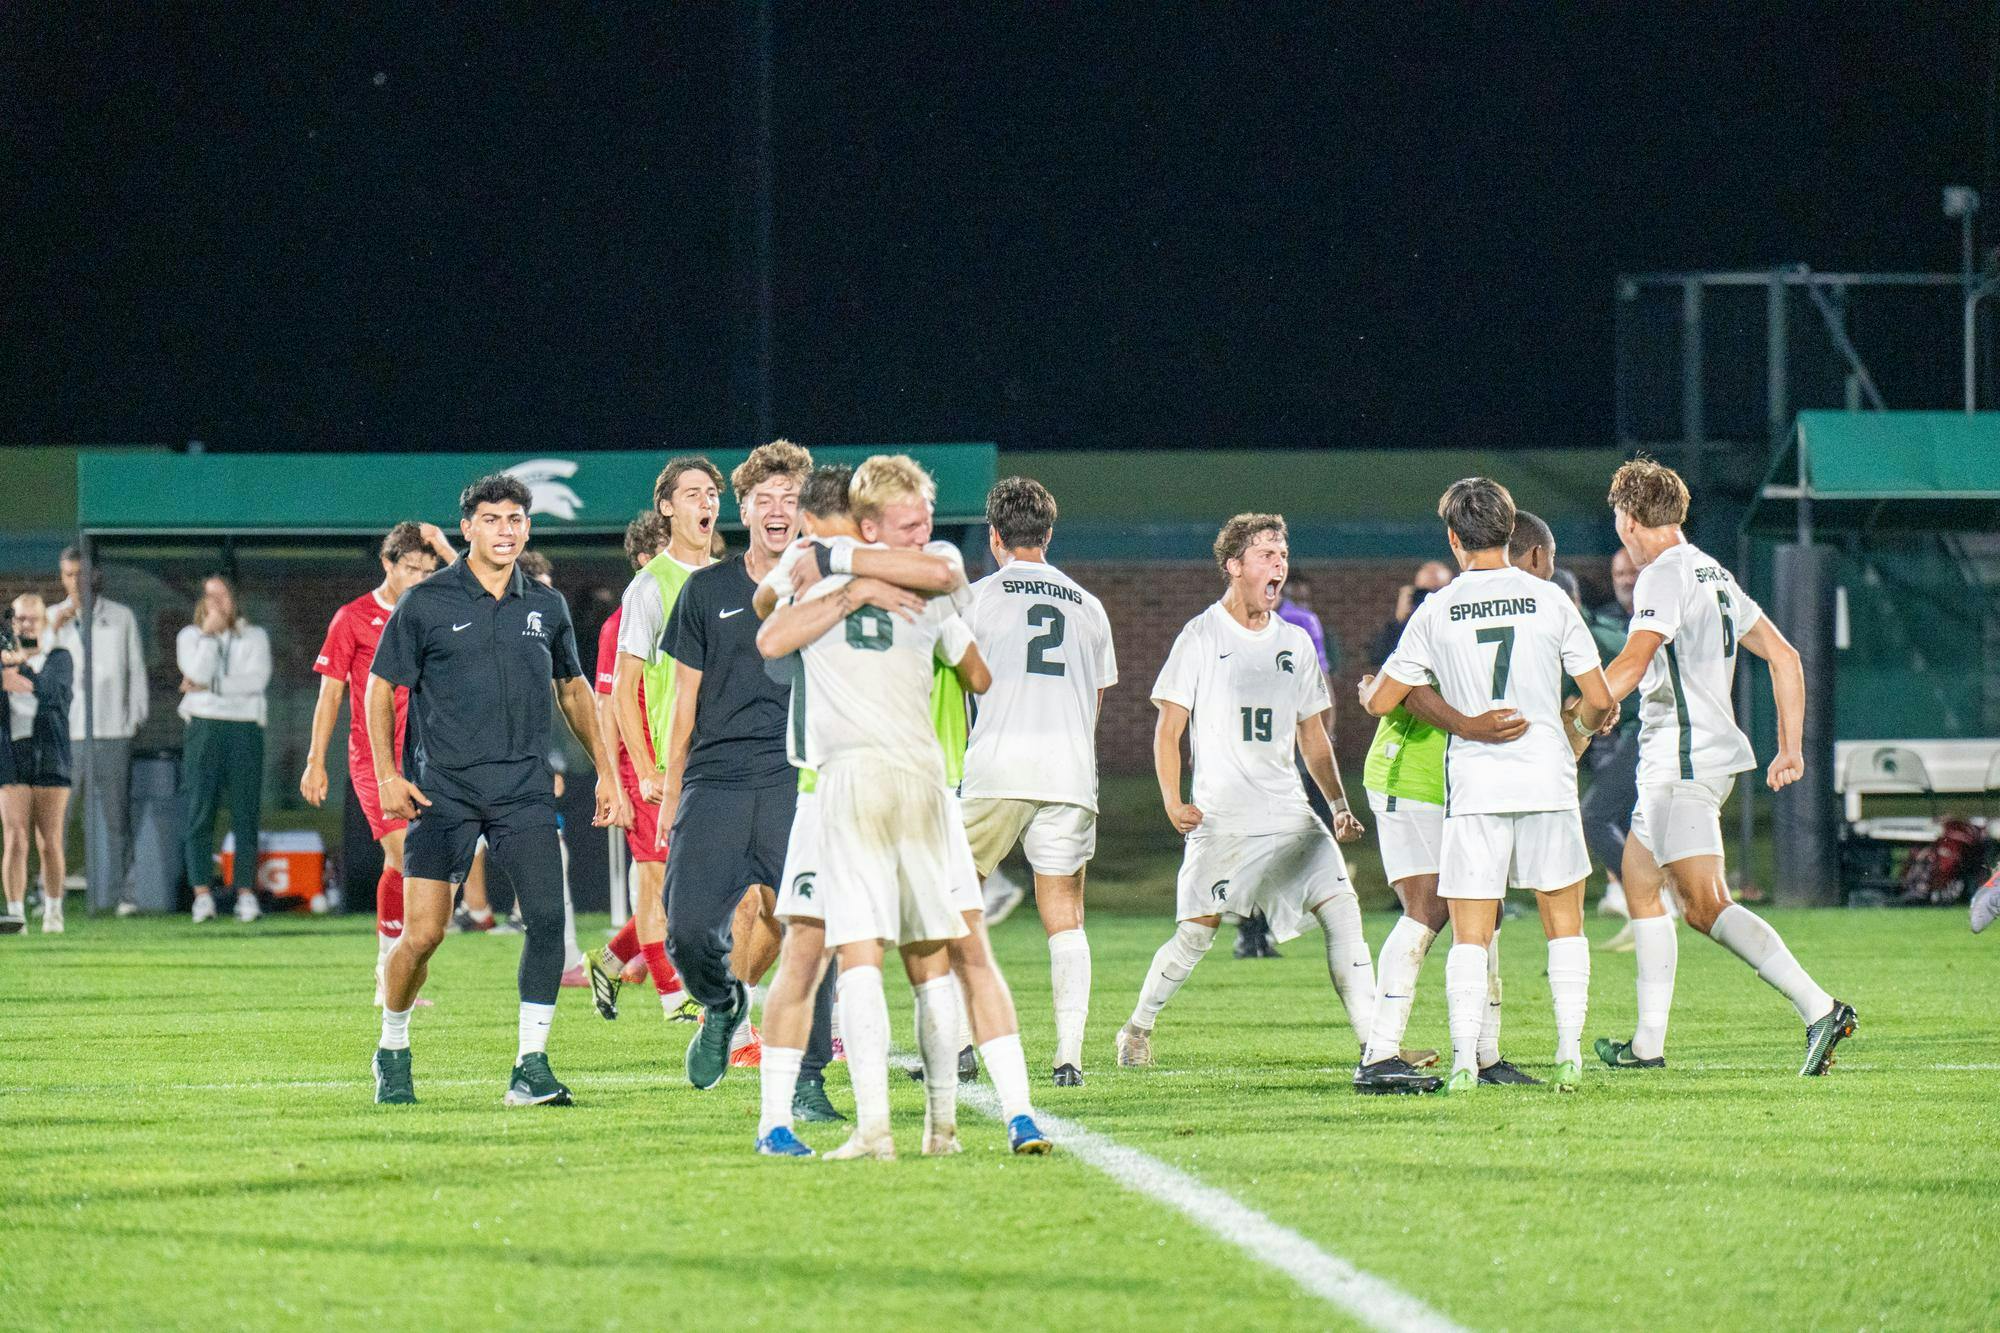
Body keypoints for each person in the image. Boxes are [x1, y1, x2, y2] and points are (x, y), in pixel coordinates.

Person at [756, 457, 1051, 1160]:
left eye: (925, 518)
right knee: (845, 952)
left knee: (902, 954)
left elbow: (771, 620)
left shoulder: (868, 565)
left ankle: (910, 1124)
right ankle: (832, 1123)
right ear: (869, 523)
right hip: (847, 784)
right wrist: (851, 583)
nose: (923, 531)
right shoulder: (893, 574)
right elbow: (769, 625)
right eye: (908, 521)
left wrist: (836, 568)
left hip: (872, 782)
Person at [365, 473, 626, 1107]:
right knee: (424, 935)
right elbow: (380, 690)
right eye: (492, 519)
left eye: (515, 519)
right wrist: (388, 776)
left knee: (544, 919)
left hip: (523, 791)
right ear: (468, 528)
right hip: (443, 793)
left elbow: (573, 690)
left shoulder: (547, 606)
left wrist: (609, 774)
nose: (505, 530)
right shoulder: (425, 603)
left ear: (526, 529)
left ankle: (530, 1067)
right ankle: (391, 1045)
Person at [1590, 459, 1856, 1076]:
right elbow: (1786, 657)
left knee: (1706, 906)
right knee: (1637, 877)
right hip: (1686, 758)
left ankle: (1820, 1007)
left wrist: (1586, 709)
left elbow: (1633, 660)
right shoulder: (1713, 571)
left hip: (1683, 761)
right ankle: (1647, 1045)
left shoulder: (1661, 576)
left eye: (1618, 521)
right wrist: (1790, 747)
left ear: (1630, 519)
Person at [1362, 479, 1613, 1094]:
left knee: (1471, 933)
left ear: (1453, 538)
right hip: (1547, 783)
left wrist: (1466, 722)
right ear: (1512, 533)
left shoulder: (1438, 608)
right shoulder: (1552, 600)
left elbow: (1383, 700)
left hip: (1475, 787)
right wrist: (1572, 732)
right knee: (1566, 925)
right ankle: (1568, 1054)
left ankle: (1462, 1066)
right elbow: (1600, 700)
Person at [1116, 514, 1375, 1069]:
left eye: (1282, 555)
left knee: (1343, 911)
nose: (1277, 564)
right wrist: (1170, 799)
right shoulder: (1201, 635)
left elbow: (1314, 735)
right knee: (1195, 936)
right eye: (1265, 554)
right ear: (1233, 567)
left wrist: (1338, 806)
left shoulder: (1296, 641)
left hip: (1290, 815)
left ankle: (1376, 1050)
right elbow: (1168, 728)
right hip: (1225, 818)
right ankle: (1137, 1028)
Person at [658, 440, 820, 1089]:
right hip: (716, 781)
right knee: (688, 929)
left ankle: (810, 1078)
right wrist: (671, 793)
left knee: (811, 924)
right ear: (744, 508)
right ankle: (724, 1004)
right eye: (765, 499)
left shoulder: (828, 586)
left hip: (795, 777)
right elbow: (684, 702)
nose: (778, 510)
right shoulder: (705, 589)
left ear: (806, 511)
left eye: (790, 499)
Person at [959, 476, 1117, 1086]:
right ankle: (1069, 1057)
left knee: (955, 902)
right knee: (1065, 918)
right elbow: (1096, 701)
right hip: (1070, 772)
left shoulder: (976, 599)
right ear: (1048, 535)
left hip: (998, 764)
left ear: (994, 536)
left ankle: (961, 1047)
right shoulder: (1089, 605)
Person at [302, 522, 453, 1001]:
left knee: (418, 864)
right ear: (387, 564)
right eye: (411, 569)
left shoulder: (427, 611)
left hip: (426, 756)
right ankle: (390, 970)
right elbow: (330, 696)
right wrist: (315, 761)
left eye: (428, 571)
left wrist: (447, 550)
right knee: (401, 852)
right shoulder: (353, 617)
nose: (419, 578)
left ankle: (395, 964)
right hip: (374, 759)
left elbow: (475, 585)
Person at [611, 457, 719, 1033]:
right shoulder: (651, 586)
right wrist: (647, 769)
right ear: (667, 507)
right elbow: (623, 689)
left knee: (757, 900)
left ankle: (731, 1010)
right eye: (693, 494)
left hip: (735, 764)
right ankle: (691, 998)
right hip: (680, 772)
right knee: (677, 898)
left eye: (712, 494)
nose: (707, 503)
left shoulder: (731, 578)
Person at [583, 512, 690, 1019]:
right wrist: (613, 780)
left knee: (682, 887)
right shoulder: (622, 622)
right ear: (647, 559)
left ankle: (609, 960)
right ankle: (674, 999)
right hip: (641, 769)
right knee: (655, 880)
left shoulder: (685, 610)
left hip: (683, 766)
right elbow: (606, 703)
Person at [46, 547, 150, 914]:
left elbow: (134, 669)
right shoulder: (51, 619)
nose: (74, 581)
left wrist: (134, 718)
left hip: (111, 731)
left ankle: (127, 893)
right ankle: (50, 895)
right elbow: (40, 669)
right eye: (68, 575)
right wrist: (54, 630)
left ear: (95, 576)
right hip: (66, 735)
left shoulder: (121, 617)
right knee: (56, 818)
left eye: (80, 573)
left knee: (116, 816)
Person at [177, 574, 272, 924]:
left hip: (245, 729)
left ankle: (246, 893)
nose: (215, 604)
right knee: (200, 811)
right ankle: (202, 895)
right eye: (208, 597)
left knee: (245, 814)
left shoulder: (255, 636)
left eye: (221, 597)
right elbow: (193, 670)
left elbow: (256, 681)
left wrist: (209, 685)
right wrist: (209, 636)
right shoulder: (190, 637)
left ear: (234, 599)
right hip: (203, 727)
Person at [3, 595, 75, 934]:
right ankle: (16, 912)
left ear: (44, 621)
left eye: (33, 618)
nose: (26, 625)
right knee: (16, 836)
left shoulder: (58, 657)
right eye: (20, 618)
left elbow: (55, 695)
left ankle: (53, 911)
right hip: (12, 752)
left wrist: (25, 671)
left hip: (50, 751)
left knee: (49, 839)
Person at [1584, 546, 1646, 935]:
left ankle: (1647, 893)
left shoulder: (1657, 619)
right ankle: (1622, 888)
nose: (1626, 579)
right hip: (1610, 734)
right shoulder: (1604, 619)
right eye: (1619, 573)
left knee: (1611, 814)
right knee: (1611, 813)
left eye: (1633, 572)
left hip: (1645, 729)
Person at [1368, 559, 1452, 670]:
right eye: (1424, 592)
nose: (1429, 597)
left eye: (1437, 591)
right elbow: (1378, 657)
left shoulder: (1460, 621)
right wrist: (1400, 621)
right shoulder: (1406, 626)